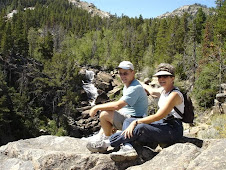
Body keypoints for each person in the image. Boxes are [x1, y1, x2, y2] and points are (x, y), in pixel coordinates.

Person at [88, 63, 184, 161]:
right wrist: (136, 81)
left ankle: (107, 143)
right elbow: (151, 91)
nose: (161, 79)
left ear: (172, 78)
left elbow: (159, 116)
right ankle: (127, 146)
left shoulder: (174, 95)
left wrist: (136, 122)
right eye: (159, 76)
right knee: (129, 121)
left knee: (140, 127)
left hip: (173, 129)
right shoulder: (163, 91)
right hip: (163, 124)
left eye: (165, 76)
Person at [86, 61, 148, 153]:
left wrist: (96, 107)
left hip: (134, 122)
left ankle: (106, 141)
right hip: (131, 118)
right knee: (107, 119)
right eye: (121, 74)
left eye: (125, 73)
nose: (123, 76)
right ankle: (105, 138)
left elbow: (117, 105)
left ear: (133, 73)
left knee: (104, 114)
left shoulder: (134, 88)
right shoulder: (129, 85)